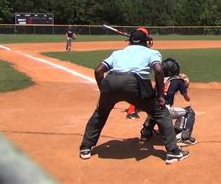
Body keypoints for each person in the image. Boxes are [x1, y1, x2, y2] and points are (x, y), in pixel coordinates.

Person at [79, 28, 189, 164]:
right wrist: (160, 95)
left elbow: (98, 70)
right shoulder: (152, 52)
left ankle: (85, 147)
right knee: (161, 112)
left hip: (110, 80)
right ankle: (173, 152)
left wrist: (104, 91)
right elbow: (159, 70)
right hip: (134, 83)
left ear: (130, 41)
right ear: (146, 41)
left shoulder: (118, 53)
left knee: (100, 113)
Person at [140, 58, 197, 147]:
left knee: (154, 111)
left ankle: (145, 133)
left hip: (152, 108)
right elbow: (187, 99)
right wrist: (183, 87)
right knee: (189, 112)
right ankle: (183, 137)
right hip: (165, 109)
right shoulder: (178, 80)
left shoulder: (159, 79)